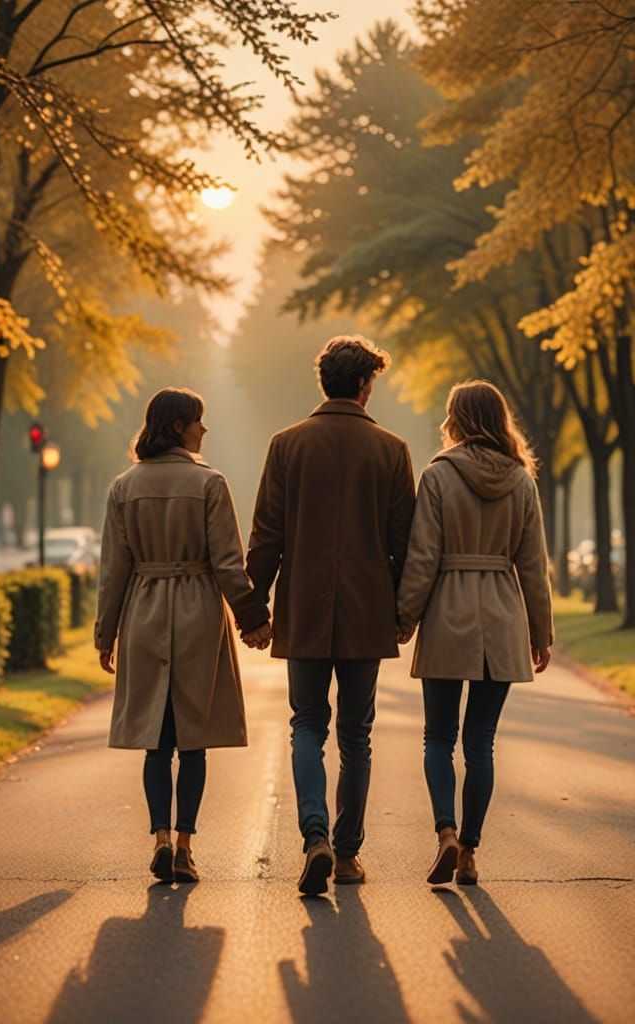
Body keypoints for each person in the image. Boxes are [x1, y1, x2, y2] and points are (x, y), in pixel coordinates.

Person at [247, 335, 416, 895]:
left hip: (306, 607)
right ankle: (345, 855)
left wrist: (255, 609)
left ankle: (313, 835)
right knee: (357, 735)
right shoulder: (391, 451)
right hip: (368, 611)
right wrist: (403, 610)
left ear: (324, 381)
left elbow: (266, 536)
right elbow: (404, 544)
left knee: (306, 726)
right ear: (366, 385)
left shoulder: (286, 445)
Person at [95, 387, 271, 885]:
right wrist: (252, 617)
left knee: (157, 739)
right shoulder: (210, 483)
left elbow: (114, 571)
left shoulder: (123, 488)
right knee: (194, 739)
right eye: (198, 420)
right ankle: (187, 848)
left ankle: (160, 839)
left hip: (145, 611)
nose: (204, 429)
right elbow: (228, 565)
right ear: (178, 427)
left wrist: (105, 634)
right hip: (196, 610)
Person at [396, 380, 553, 887]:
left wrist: (405, 617)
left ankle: (444, 830)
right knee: (481, 741)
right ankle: (468, 852)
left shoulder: (439, 476)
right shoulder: (522, 481)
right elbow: (534, 566)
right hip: (502, 617)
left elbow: (422, 557)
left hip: (448, 613)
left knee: (438, 736)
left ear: (457, 419)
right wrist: (540, 632)